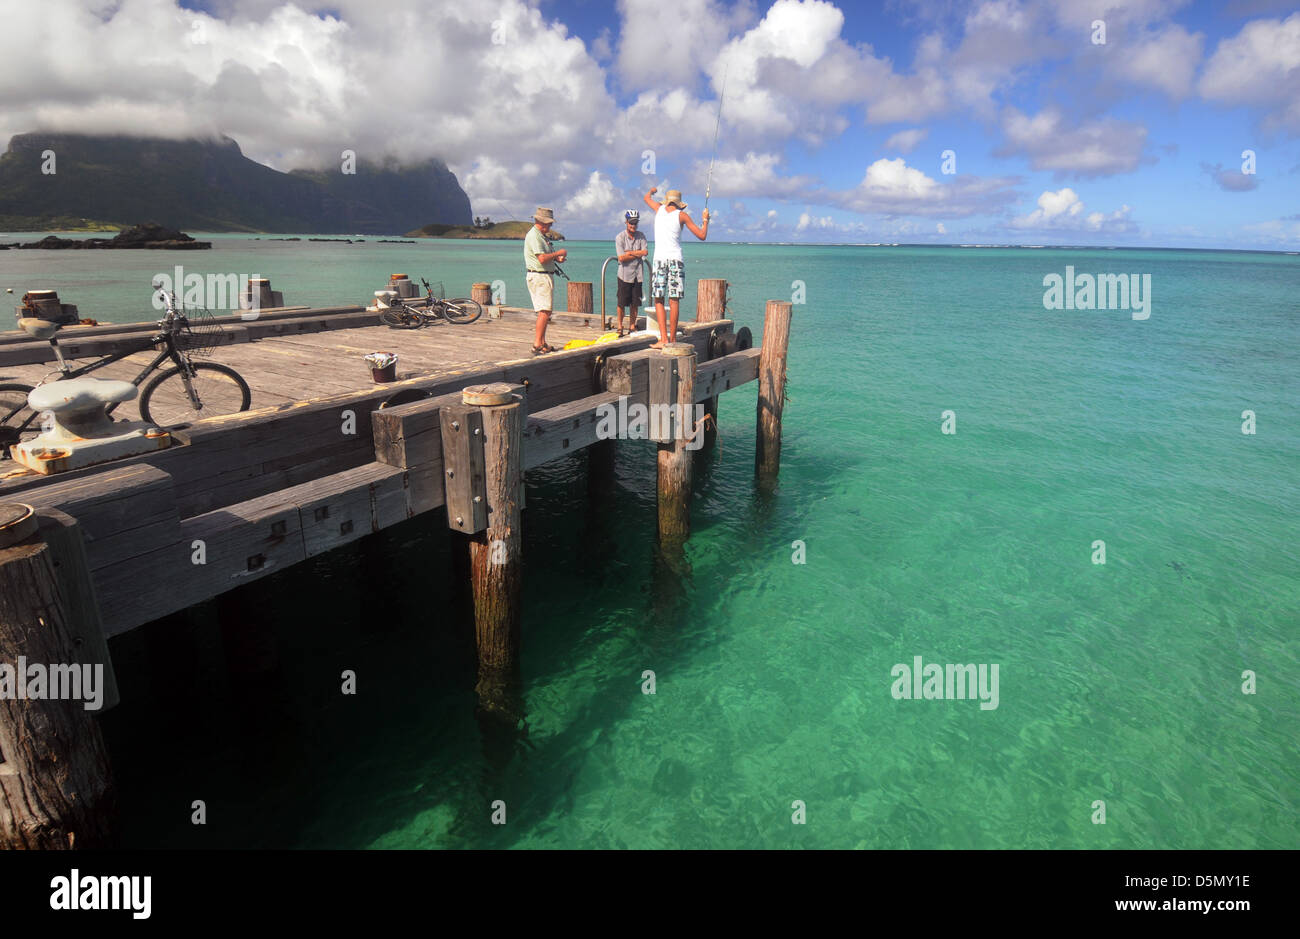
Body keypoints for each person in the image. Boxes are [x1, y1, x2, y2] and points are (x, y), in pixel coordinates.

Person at [642, 187, 708, 347]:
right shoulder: (682, 215)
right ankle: (672, 340)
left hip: (659, 260)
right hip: (676, 260)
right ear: (680, 203)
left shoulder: (659, 209)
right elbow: (702, 235)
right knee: (674, 300)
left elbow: (646, 198)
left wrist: (651, 191)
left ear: (667, 201)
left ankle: (663, 339)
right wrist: (705, 219)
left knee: (658, 298)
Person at [524, 206, 567, 354]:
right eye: (549, 223)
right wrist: (558, 253)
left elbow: (544, 257)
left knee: (545, 311)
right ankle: (537, 343)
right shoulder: (535, 236)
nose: (550, 226)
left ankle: (542, 342)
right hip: (540, 276)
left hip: (543, 275)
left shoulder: (540, 236)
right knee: (544, 311)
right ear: (542, 222)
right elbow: (542, 258)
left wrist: (557, 258)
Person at [614, 209, 648, 336]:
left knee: (635, 303)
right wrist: (637, 254)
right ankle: (620, 326)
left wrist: (630, 252)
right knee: (621, 302)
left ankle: (632, 326)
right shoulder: (620, 237)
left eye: (635, 223)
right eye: (631, 223)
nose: (633, 225)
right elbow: (621, 258)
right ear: (626, 222)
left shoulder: (641, 235)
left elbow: (645, 252)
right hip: (624, 275)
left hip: (638, 275)